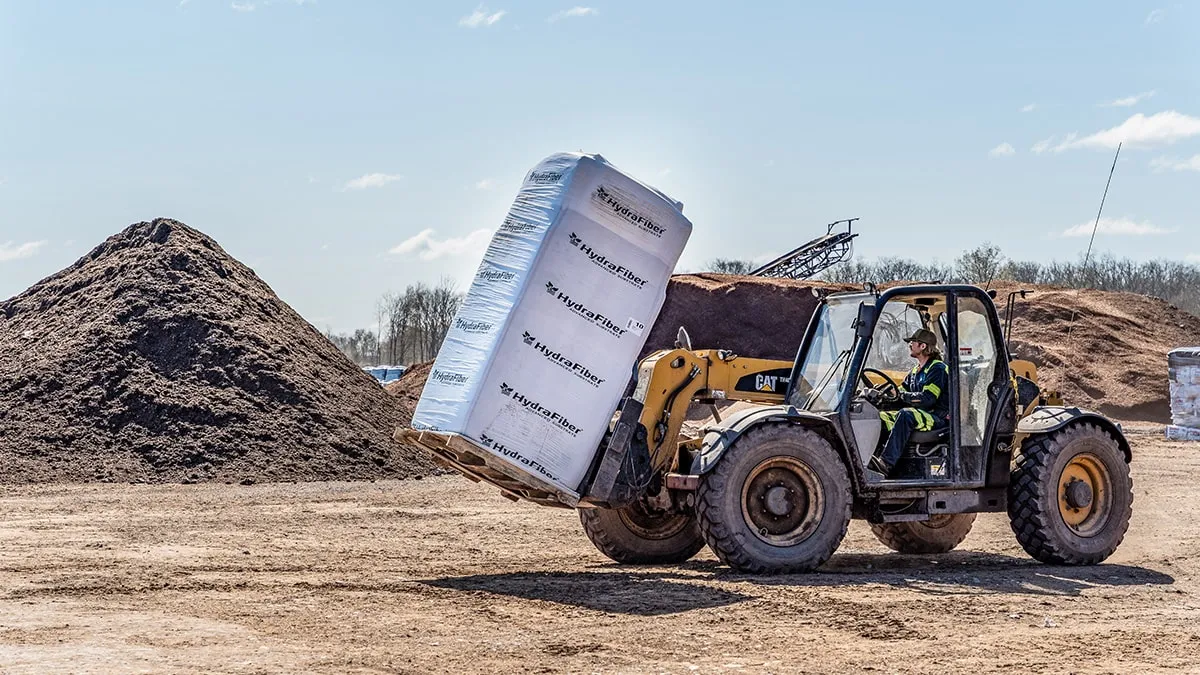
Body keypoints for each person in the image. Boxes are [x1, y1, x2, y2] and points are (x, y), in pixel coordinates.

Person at [867, 328, 950, 477]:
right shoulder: (915, 371)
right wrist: (883, 395)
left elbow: (928, 399)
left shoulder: (937, 368)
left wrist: (902, 396)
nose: (909, 345)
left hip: (936, 417)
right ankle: (871, 460)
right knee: (880, 417)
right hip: (922, 414)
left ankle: (886, 463)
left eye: (912, 342)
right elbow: (899, 393)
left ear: (922, 346)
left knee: (906, 415)